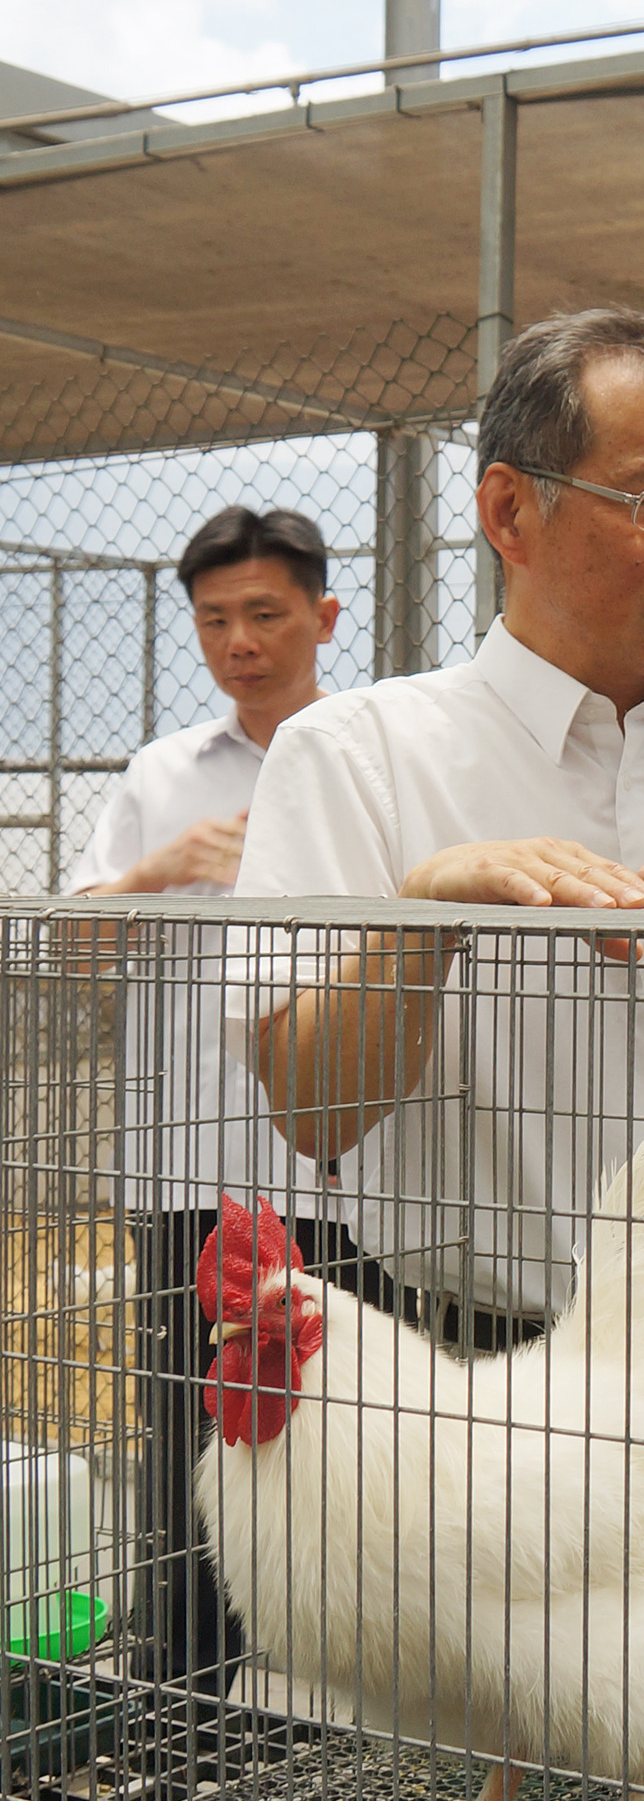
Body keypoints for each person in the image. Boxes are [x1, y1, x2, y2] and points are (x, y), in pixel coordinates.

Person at [237, 306, 644, 1340]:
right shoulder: (362, 757)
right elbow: (313, 1113)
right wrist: (422, 924)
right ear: (509, 511)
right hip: (483, 1372)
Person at [69, 506, 340, 1690]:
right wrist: (156, 873)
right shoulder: (161, 776)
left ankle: (331, 1710)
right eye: (215, 618)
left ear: (325, 618)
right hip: (191, 1180)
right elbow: (62, 946)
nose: (240, 640)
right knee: (189, 1448)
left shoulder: (370, 757)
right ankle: (187, 1712)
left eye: (266, 614)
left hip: (347, 1177)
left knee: (341, 1464)